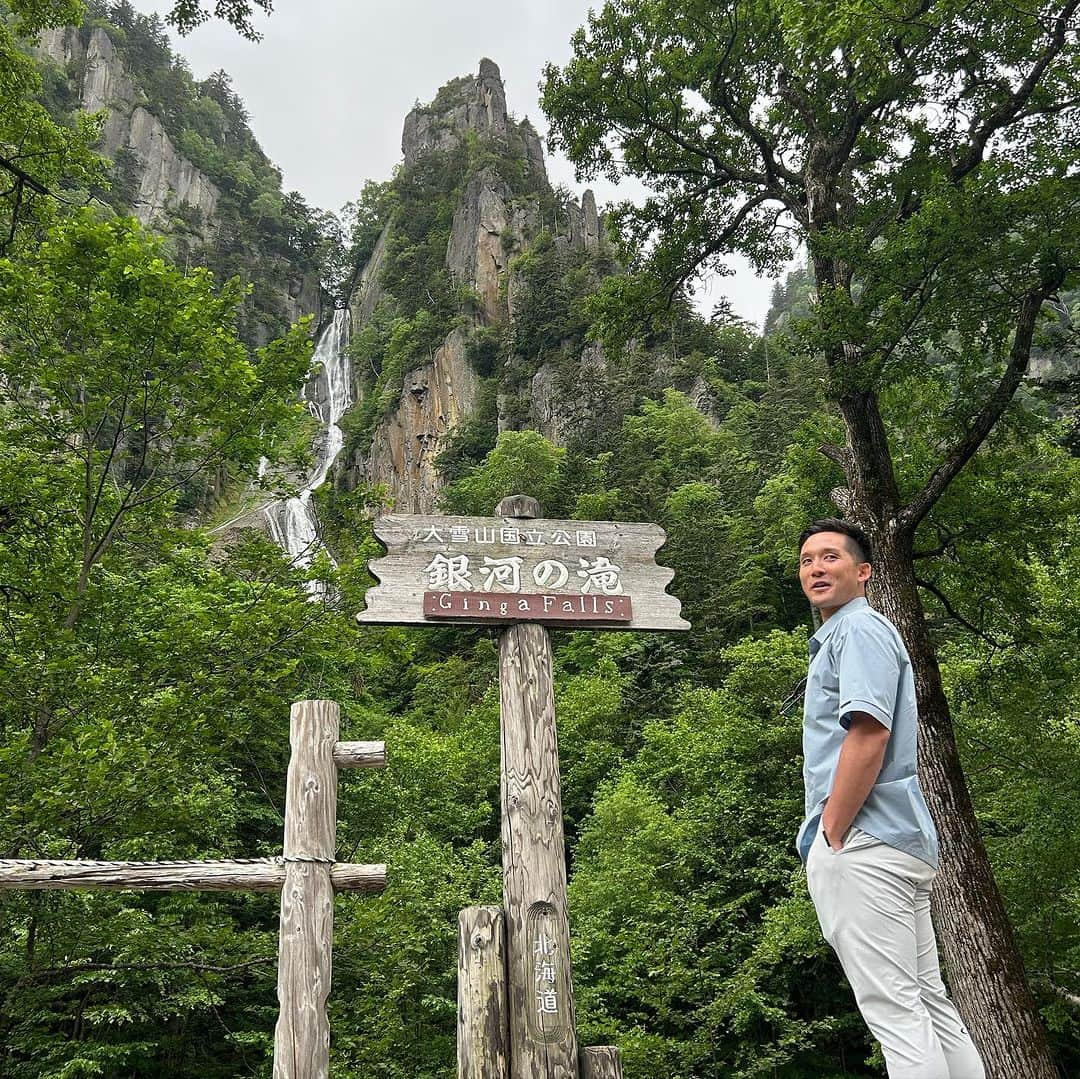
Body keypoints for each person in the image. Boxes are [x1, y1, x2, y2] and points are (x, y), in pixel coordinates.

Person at [797, 518, 986, 1079]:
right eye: (807, 560)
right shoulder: (856, 633)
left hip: (864, 842)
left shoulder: (857, 631)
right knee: (928, 1003)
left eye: (830, 557)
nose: (815, 568)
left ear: (864, 571)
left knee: (895, 1012)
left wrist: (833, 828)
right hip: (897, 839)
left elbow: (869, 731)